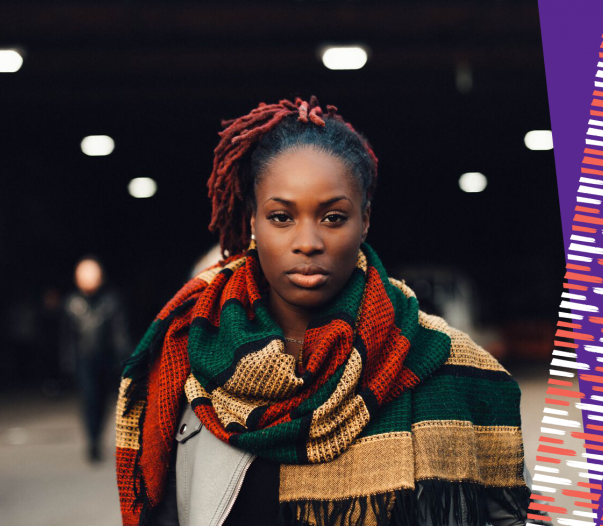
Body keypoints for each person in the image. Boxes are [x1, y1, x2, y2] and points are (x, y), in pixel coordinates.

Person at [115, 97, 529, 526]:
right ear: (252, 221)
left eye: (333, 217)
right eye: (281, 217)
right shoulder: (186, 351)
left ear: (364, 221)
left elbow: (509, 516)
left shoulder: (444, 361)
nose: (308, 241)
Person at [62, 256, 131, 462]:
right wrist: (67, 363)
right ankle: (92, 441)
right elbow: (66, 338)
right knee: (89, 399)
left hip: (107, 359)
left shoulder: (111, 301)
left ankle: (97, 436)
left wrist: (124, 360)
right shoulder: (72, 303)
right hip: (84, 360)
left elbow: (120, 333)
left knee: (102, 400)